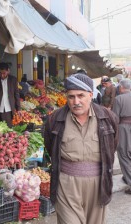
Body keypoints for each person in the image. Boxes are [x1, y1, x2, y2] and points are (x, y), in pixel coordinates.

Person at [44, 72, 118, 224]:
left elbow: (112, 145)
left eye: (81, 95)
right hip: (66, 185)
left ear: (91, 95)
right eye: (71, 96)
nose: (76, 101)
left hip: (98, 184)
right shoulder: (55, 119)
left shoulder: (108, 118)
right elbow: (51, 147)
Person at [112, 79, 131, 194]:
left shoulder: (119, 99)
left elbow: (115, 117)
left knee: (123, 154)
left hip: (124, 127)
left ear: (122, 88)